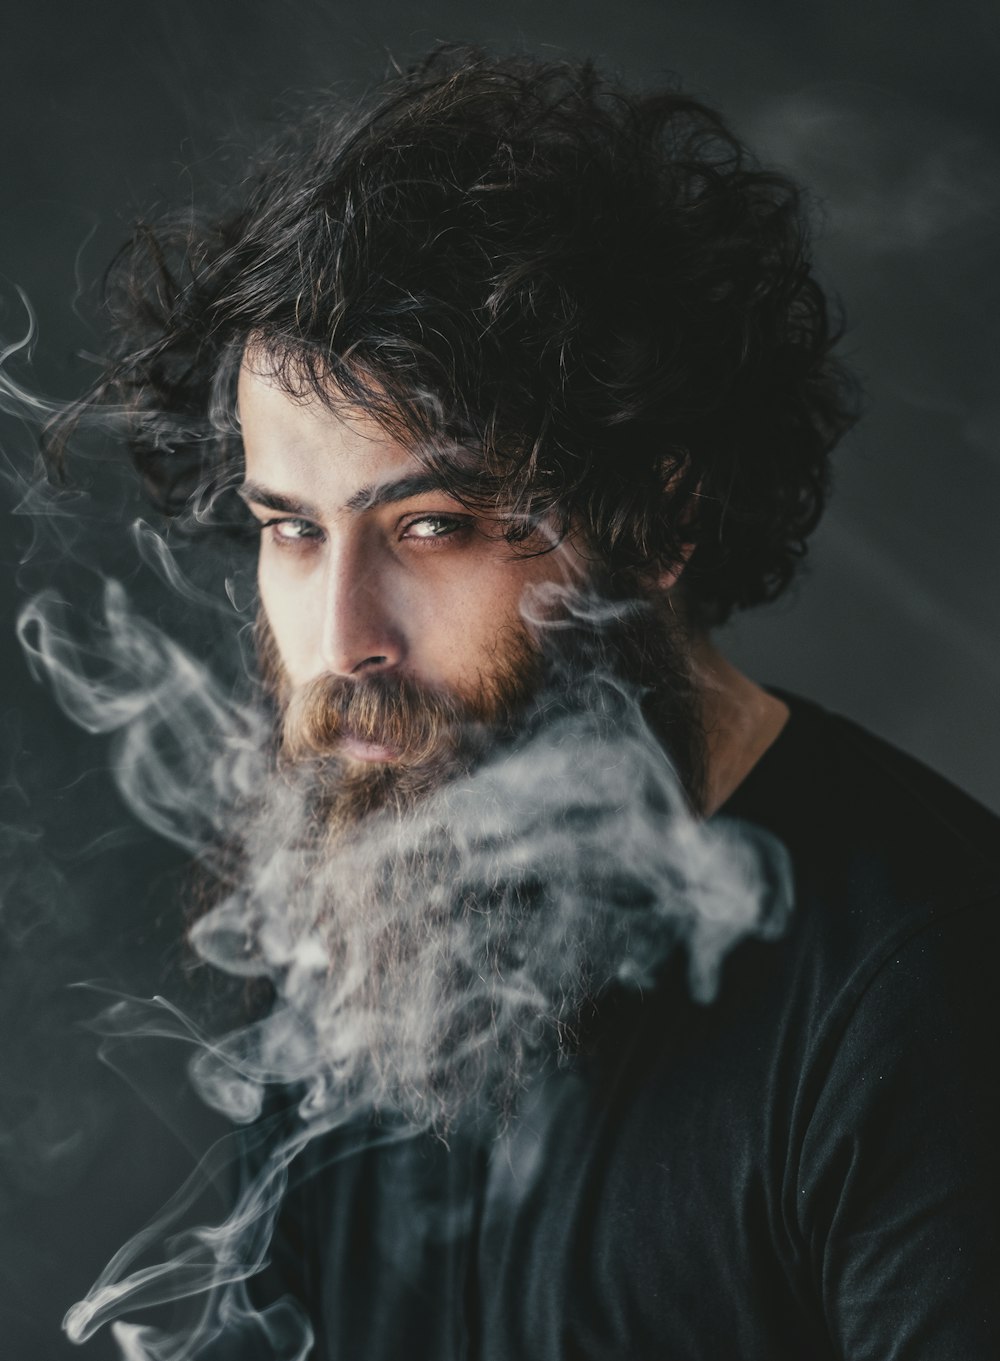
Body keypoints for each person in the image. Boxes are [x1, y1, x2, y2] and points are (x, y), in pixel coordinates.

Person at [56, 44, 999, 1361]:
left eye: (432, 525)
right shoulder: (362, 944)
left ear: (661, 515)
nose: (343, 644)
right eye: (293, 530)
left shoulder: (929, 992)